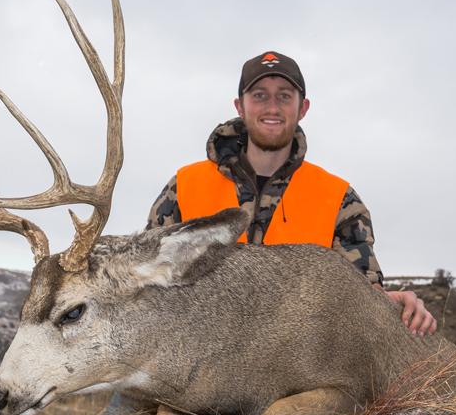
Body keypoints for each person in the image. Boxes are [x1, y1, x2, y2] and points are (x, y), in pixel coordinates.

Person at [147, 51, 436, 336]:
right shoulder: (184, 186)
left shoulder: (339, 199)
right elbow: (146, 279)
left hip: (295, 370)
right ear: (240, 106)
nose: (272, 107)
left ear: (303, 108)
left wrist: (393, 303)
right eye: (259, 95)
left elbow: (360, 294)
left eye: (284, 96)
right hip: (196, 360)